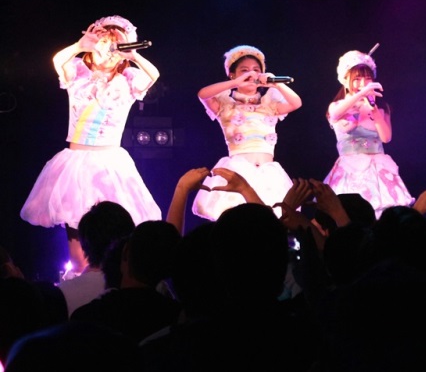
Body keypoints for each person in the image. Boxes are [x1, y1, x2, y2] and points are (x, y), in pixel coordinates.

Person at [20, 15, 162, 276]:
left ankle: (114, 276)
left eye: (115, 46)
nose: (108, 51)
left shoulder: (128, 79)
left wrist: (132, 54)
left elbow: (153, 74)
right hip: (76, 161)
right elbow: (57, 60)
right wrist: (79, 46)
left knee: (114, 227)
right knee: (75, 224)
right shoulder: (78, 72)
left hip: (110, 162)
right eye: (104, 42)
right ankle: (79, 277)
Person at [192, 44, 302, 221]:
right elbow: (203, 94)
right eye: (244, 70)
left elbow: (296, 103)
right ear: (232, 74)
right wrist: (236, 83)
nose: (251, 74)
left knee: (271, 220)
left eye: (256, 70)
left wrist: (276, 84)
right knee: (239, 221)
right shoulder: (225, 105)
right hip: (239, 171)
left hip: (268, 174)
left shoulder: (269, 105)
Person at [323, 48, 414, 217]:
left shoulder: (382, 108)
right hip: (351, 170)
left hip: (379, 170)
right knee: (350, 214)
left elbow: (386, 138)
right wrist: (361, 96)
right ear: (345, 81)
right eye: (357, 79)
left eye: (367, 79)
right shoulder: (338, 106)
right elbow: (335, 116)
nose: (362, 83)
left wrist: (375, 111)